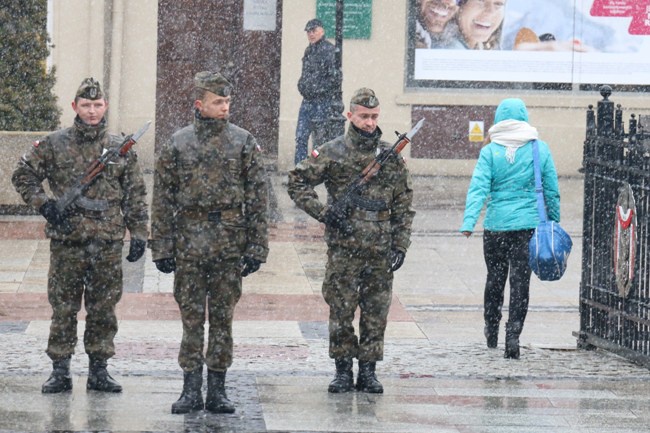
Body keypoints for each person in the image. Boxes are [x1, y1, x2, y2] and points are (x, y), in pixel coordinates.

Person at [11, 77, 149, 393]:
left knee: (102, 309)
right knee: (63, 308)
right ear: (74, 107)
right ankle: (60, 371)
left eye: (97, 105)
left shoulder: (119, 149)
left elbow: (135, 195)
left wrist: (139, 232)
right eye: (85, 105)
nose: (91, 111)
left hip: (106, 243)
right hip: (67, 242)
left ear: (106, 107)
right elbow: (23, 175)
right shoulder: (54, 144)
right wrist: (44, 204)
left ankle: (99, 370)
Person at [149, 71, 269, 414]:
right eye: (218, 102)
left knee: (221, 318)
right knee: (190, 318)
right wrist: (162, 246)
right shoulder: (179, 142)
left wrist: (256, 247)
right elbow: (163, 198)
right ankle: (190, 388)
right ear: (199, 104)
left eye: (228, 101)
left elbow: (259, 197)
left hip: (229, 243)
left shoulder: (243, 141)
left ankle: (217, 388)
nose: (225, 107)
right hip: (189, 240)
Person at [287, 88, 415, 394]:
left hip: (380, 248)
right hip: (344, 247)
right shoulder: (332, 151)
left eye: (374, 117)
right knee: (341, 310)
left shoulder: (390, 156)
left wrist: (400, 244)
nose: (370, 123)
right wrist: (324, 213)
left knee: (376, 311)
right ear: (350, 116)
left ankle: (368, 371)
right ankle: (343, 370)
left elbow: (403, 204)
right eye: (364, 116)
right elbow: (296, 181)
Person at [460, 98, 560, 359]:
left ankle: (491, 327)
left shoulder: (490, 151)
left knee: (494, 278)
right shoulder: (540, 148)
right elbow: (551, 190)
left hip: (496, 227)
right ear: (524, 117)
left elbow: (478, 188)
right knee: (520, 282)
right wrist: (554, 221)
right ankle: (513, 334)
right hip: (528, 228)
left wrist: (469, 222)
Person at [294, 18, 342, 165]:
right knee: (301, 137)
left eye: (313, 31)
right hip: (307, 100)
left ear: (322, 31)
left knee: (319, 140)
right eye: (308, 32)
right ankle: (300, 171)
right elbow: (305, 74)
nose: (311, 34)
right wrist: (301, 86)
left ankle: (317, 170)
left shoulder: (329, 50)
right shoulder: (308, 51)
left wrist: (318, 90)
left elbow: (335, 78)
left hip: (322, 101)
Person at [432, 0, 506, 50]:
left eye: (498, 4)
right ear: (458, 6)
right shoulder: (447, 51)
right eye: (480, 0)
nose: (491, 12)